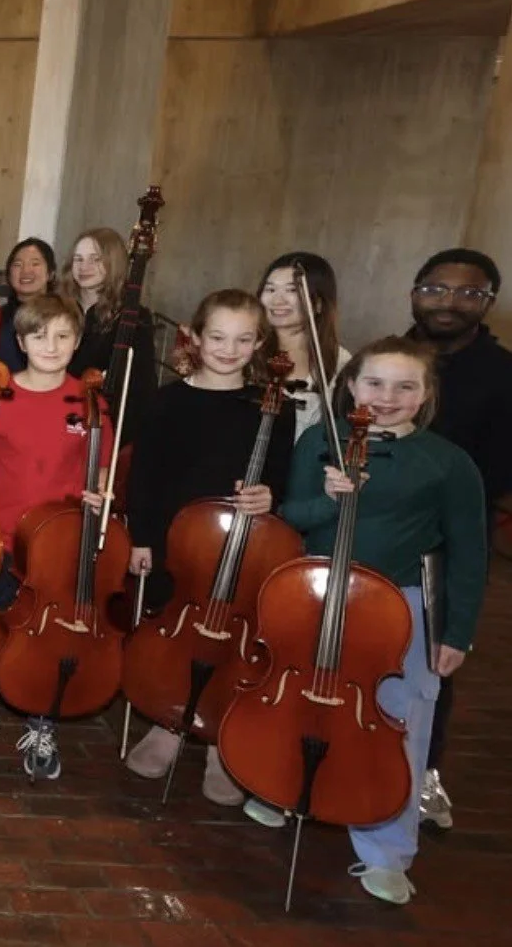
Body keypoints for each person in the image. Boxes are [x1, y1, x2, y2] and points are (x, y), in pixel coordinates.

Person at [274, 336, 486, 905]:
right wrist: (328, 498)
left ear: (426, 394)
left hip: (402, 604)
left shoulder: (448, 463)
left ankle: (387, 849)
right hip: (320, 593)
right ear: (350, 385)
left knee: (402, 722)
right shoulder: (322, 440)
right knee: (300, 700)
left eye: (404, 386)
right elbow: (292, 515)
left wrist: (457, 632)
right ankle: (284, 788)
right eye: (374, 383)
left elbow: (470, 552)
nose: (386, 397)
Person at [0, 294, 111, 780]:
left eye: (63, 336)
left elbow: (101, 471)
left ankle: (42, 719)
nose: (51, 345)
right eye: (39, 335)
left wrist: (101, 496)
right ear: (21, 342)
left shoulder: (90, 402)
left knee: (47, 636)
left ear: (77, 341)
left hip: (60, 544)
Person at [122, 289, 295, 804]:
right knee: (177, 637)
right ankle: (169, 723)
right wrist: (142, 538)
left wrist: (269, 495)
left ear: (259, 343)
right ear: (195, 337)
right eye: (217, 337)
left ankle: (221, 734)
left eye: (243, 340)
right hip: (179, 544)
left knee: (233, 644)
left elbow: (280, 477)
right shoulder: (167, 401)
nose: (228, 349)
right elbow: (144, 478)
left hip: (244, 546)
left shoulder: (273, 406)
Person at [407, 247, 512, 831]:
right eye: (436, 288)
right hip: (381, 525)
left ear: (487, 303)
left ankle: (424, 770)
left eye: (468, 293)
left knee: (435, 662)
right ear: (415, 293)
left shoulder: (502, 374)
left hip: (448, 539)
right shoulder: (392, 356)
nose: (448, 302)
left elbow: (499, 471)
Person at [58, 227, 156, 441]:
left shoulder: (132, 317)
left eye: (95, 259)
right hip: (57, 415)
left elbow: (141, 387)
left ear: (114, 262)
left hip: (104, 425)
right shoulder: (57, 308)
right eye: (78, 259)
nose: (84, 267)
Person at [258, 252, 350, 440]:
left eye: (292, 290)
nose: (278, 300)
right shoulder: (244, 350)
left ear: (318, 303)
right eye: (270, 289)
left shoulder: (340, 361)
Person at [0, 238, 55, 373]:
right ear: (9, 274)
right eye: (18, 264)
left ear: (51, 273)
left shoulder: (62, 316)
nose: (26, 270)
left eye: (35, 263)